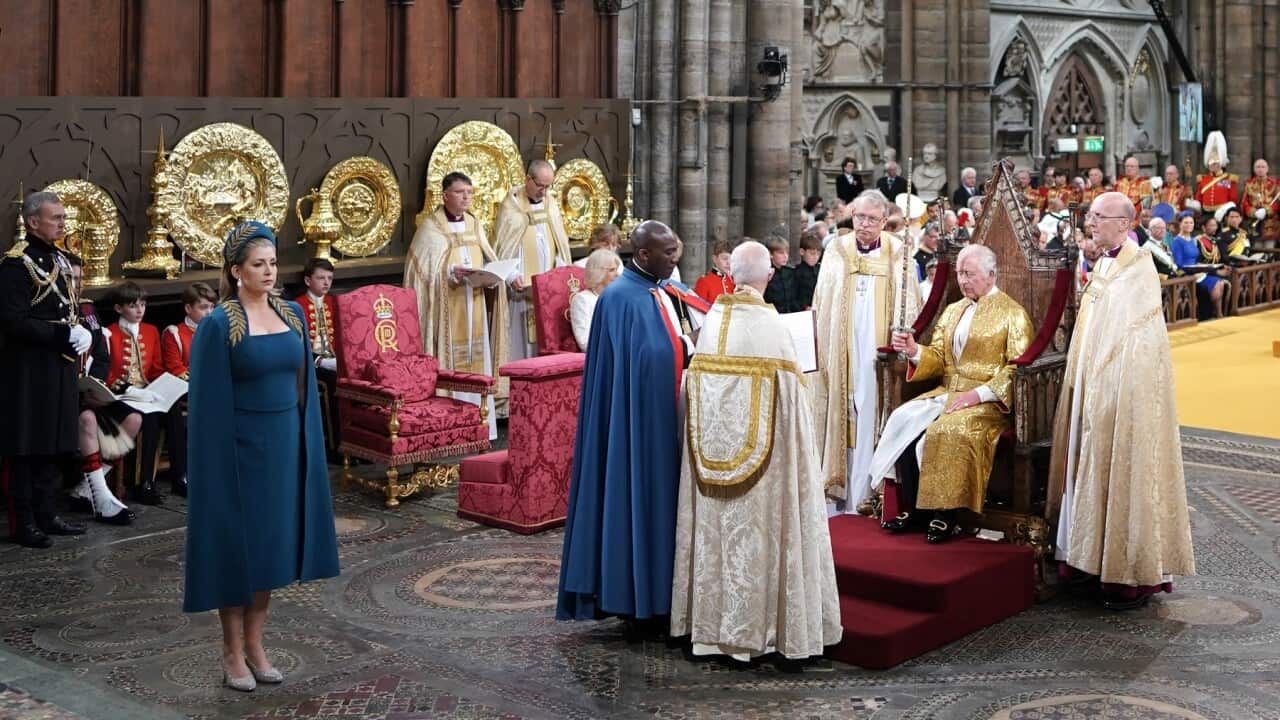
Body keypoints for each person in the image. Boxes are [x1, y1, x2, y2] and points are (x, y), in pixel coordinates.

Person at [183, 221, 339, 690]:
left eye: (272, 263)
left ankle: (255, 643)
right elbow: (207, 405)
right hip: (238, 451)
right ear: (236, 271)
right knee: (238, 548)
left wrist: (305, 443)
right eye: (258, 264)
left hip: (284, 446)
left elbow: (301, 385)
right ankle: (231, 650)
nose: (269, 271)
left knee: (272, 547)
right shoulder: (218, 325)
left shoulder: (292, 314)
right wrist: (214, 467)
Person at [670, 240, 842, 666]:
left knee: (720, 541)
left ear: (732, 276)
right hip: (765, 473)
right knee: (759, 542)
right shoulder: (773, 329)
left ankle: (710, 632)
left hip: (711, 467)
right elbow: (793, 400)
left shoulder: (712, 324)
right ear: (767, 277)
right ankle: (765, 634)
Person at [1049, 192, 1194, 611]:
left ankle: (1125, 575)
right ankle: (1084, 562)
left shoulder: (1138, 267)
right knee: (1086, 473)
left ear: (1125, 224)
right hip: (1090, 386)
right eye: (1090, 215)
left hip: (1118, 391)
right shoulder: (1105, 262)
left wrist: (1108, 388)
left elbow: (1139, 344)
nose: (1090, 222)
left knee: (1119, 472)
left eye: (1098, 216)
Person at [557, 220, 698, 631]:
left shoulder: (659, 290)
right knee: (636, 497)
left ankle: (660, 592)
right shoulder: (619, 299)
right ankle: (634, 597)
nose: (677, 258)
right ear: (643, 256)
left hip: (663, 416)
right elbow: (638, 366)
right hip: (635, 427)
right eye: (669, 253)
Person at [868, 245, 1033, 542]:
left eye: (969, 274)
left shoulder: (1013, 314)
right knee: (903, 420)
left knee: (947, 429)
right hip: (946, 392)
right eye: (960, 274)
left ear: (991, 275)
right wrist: (915, 350)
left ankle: (945, 515)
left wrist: (979, 395)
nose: (963, 281)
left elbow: (1017, 369)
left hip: (987, 403)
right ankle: (914, 508)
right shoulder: (952, 310)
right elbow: (939, 358)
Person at [812, 190, 920, 515]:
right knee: (845, 412)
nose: (864, 224)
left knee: (871, 411)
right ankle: (840, 495)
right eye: (859, 217)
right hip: (841, 350)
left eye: (872, 219)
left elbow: (909, 303)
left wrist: (902, 332)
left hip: (876, 353)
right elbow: (823, 299)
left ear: (884, 222)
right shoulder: (836, 249)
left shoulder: (898, 252)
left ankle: (870, 493)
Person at [0, 191, 90, 547]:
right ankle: (23, 522)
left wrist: (79, 328)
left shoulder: (60, 259)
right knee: (27, 445)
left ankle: (47, 512)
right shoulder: (14, 265)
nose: (62, 224)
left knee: (54, 442)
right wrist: (62, 332)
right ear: (33, 221)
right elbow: (12, 320)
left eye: (63, 218)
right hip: (27, 370)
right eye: (56, 218)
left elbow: (64, 306)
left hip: (58, 365)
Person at [404, 171, 508, 440]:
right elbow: (422, 274)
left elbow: (487, 256)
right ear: (445, 195)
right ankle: (453, 427)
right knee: (454, 363)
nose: (466, 198)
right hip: (448, 311)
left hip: (474, 305)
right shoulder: (431, 228)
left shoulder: (474, 223)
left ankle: (483, 424)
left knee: (479, 360)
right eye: (461, 192)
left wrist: (491, 276)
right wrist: (449, 274)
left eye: (470, 193)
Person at [66, 254, 136, 526]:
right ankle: (101, 499)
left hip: (90, 390)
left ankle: (88, 487)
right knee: (87, 419)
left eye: (80, 279)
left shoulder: (87, 310)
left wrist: (95, 384)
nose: (78, 284)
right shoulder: (54, 309)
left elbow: (102, 356)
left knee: (134, 418)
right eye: (72, 279)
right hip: (65, 395)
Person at [103, 281, 175, 505]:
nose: (140, 310)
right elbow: (107, 375)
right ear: (118, 309)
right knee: (147, 419)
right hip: (120, 396)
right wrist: (129, 389)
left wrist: (161, 387)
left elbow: (156, 368)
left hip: (146, 394)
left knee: (161, 416)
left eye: (143, 305)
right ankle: (137, 483)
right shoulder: (109, 333)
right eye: (133, 306)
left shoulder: (151, 331)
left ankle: (148, 482)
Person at [495, 159, 573, 364]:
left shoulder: (551, 204)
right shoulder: (511, 206)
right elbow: (503, 247)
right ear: (528, 179)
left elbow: (560, 242)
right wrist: (511, 275)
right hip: (520, 291)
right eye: (540, 186)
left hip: (547, 291)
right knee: (520, 346)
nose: (544, 192)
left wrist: (559, 271)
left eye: (548, 187)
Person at [159, 281, 217, 497]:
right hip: (187, 389)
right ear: (188, 308)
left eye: (212, 307)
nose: (209, 312)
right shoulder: (174, 333)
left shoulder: (217, 331)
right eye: (203, 307)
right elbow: (176, 369)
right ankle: (184, 474)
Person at [294, 259, 340, 455]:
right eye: (321, 277)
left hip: (336, 360)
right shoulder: (297, 305)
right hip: (310, 363)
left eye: (329, 278)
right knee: (332, 383)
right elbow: (296, 343)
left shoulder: (335, 303)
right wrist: (319, 360)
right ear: (307, 280)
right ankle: (335, 445)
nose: (326, 282)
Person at [1171, 211, 1230, 319]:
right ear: (1180, 224)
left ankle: (1218, 313)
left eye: (1191, 223)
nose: (1189, 225)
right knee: (1216, 284)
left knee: (1221, 283)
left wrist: (1209, 267)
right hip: (1186, 273)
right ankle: (1212, 313)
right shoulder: (1177, 241)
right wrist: (1196, 270)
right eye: (1186, 223)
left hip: (1197, 270)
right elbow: (1178, 263)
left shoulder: (1193, 240)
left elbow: (1196, 260)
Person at [569, 248, 621, 351]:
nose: (617, 275)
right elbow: (585, 342)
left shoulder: (620, 298)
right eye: (612, 270)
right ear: (597, 273)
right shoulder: (582, 300)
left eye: (616, 269)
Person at [1189, 131, 1239, 215]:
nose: (1213, 166)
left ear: (1221, 164)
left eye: (1215, 163)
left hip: (1223, 213)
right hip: (1206, 213)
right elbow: (1199, 197)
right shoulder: (1203, 179)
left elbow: (1233, 199)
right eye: (1211, 163)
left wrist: (1225, 212)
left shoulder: (1228, 179)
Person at [1243, 158, 1280, 247]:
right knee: (1257, 249)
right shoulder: (1248, 184)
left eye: (1263, 167)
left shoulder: (1275, 183)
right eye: (1258, 167)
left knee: (1269, 249)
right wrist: (1253, 212)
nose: (1260, 169)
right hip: (1255, 224)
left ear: (1267, 169)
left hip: (1271, 225)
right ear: (1254, 169)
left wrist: (1268, 210)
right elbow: (1244, 202)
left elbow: (1278, 201)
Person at [693, 238, 737, 304]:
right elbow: (699, 308)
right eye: (725, 259)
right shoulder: (704, 281)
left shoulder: (734, 281)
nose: (728, 263)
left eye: (731, 259)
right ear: (715, 259)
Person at [1114, 155, 1152, 226]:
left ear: (1138, 168)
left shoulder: (1144, 184)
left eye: (1132, 166)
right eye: (1127, 166)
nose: (1129, 168)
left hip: (1137, 223)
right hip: (1119, 222)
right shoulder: (1119, 184)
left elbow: (1146, 207)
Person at [763, 237, 798, 312]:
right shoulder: (766, 273)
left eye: (787, 253)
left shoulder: (790, 272)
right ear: (770, 254)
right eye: (781, 253)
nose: (785, 256)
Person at [794, 228, 823, 309]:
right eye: (812, 253)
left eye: (818, 254)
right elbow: (794, 295)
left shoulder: (821, 269)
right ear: (802, 252)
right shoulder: (796, 272)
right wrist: (804, 306)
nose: (816, 257)